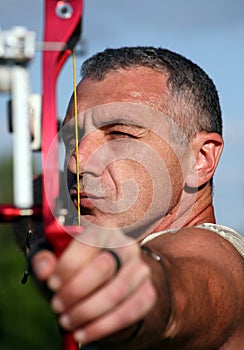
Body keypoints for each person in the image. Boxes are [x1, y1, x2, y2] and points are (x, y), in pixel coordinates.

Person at [28, 47, 243, 349]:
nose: (77, 163)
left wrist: (138, 290)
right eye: (71, 139)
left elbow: (180, 294)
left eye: (119, 135)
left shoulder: (213, 256)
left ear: (201, 159)